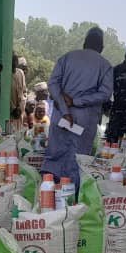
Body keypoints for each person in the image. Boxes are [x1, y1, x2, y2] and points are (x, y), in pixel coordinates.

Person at [43, 26, 115, 185]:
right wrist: (76, 101)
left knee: (54, 155)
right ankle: (71, 202)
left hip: (61, 117)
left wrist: (64, 107)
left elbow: (53, 84)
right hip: (84, 121)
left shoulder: (67, 58)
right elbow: (105, 94)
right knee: (78, 161)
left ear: (84, 43)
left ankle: (48, 196)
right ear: (101, 47)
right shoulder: (105, 66)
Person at [11, 54, 27, 125]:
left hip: (20, 111)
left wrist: (21, 108)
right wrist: (13, 108)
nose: (14, 62)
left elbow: (24, 92)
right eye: (13, 60)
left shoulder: (20, 73)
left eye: (16, 60)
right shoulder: (7, 75)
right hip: (11, 112)